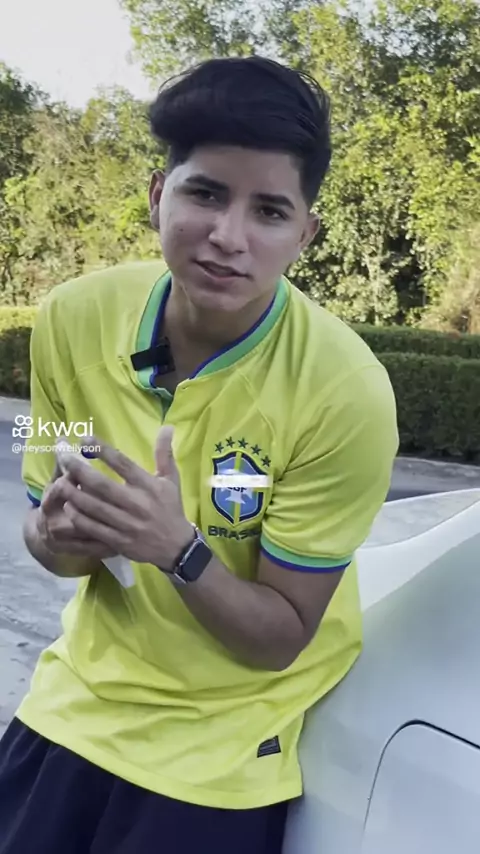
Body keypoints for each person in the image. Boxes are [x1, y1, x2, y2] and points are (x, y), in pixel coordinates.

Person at [0, 56, 398, 853]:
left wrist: (176, 548)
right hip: (70, 711)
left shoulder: (346, 393)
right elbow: (51, 546)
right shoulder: (74, 317)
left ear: (305, 235)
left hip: (218, 761)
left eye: (269, 211)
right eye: (206, 193)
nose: (228, 236)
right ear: (159, 195)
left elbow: (281, 637)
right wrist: (58, 533)